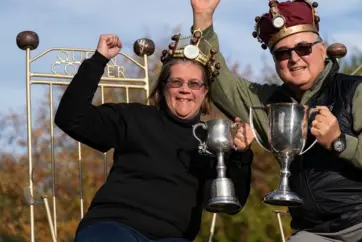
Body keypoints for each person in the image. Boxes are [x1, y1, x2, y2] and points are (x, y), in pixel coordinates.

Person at [188, 0, 362, 242]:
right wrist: (203, 18)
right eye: (282, 53)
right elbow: (219, 80)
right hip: (318, 231)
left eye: (303, 48)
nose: (294, 58)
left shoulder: (359, 92)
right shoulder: (269, 104)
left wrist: (340, 141)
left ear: (322, 50)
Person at [54, 32, 255, 242]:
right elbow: (71, 118)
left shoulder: (211, 139)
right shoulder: (133, 117)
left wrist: (241, 156)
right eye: (176, 82)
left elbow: (233, 205)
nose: (185, 90)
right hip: (114, 225)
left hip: (172, 237)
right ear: (163, 87)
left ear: (205, 92)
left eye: (194, 84)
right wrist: (99, 60)